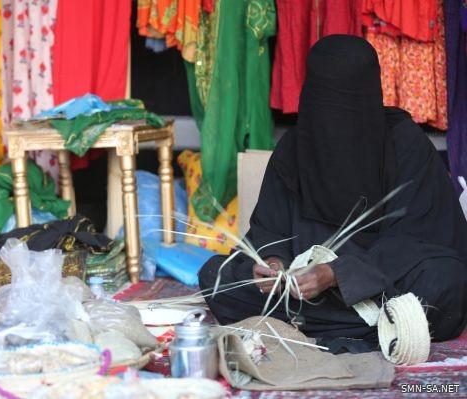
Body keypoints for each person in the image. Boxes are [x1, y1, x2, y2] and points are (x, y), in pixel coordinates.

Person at [198, 35, 467, 351]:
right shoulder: (294, 148)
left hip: (381, 285)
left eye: (349, 102)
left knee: (446, 282)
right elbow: (268, 230)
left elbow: (421, 239)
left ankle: (305, 326)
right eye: (324, 101)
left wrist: (337, 273)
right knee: (215, 277)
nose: (335, 119)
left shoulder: (403, 143)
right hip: (302, 293)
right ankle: (377, 328)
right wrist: (272, 264)